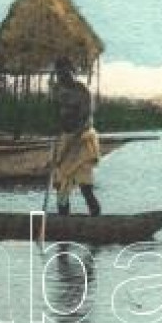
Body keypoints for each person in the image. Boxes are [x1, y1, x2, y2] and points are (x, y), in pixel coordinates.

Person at [49, 57, 101, 216]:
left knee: (85, 186)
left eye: (65, 74)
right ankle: (63, 221)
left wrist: (75, 137)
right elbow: (53, 112)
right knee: (60, 185)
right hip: (65, 137)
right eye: (59, 74)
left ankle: (96, 220)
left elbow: (86, 118)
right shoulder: (57, 89)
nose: (62, 77)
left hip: (83, 139)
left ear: (73, 72)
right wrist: (55, 127)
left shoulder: (83, 91)